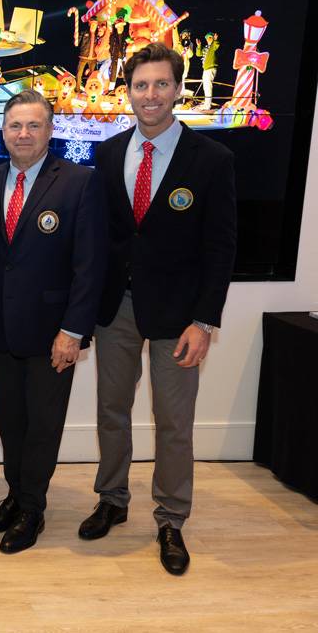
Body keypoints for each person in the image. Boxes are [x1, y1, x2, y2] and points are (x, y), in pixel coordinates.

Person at [79, 43, 237, 576]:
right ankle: (112, 499)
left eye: (161, 84)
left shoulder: (211, 159)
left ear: (177, 89)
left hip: (179, 315)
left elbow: (221, 247)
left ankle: (171, 518)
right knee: (111, 410)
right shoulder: (107, 153)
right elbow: (101, 238)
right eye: (141, 85)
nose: (151, 95)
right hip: (116, 308)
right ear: (128, 92)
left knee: (173, 421)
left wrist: (204, 320)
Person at [0, 89, 107, 553]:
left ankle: (32, 509)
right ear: (3, 132)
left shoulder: (79, 182)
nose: (24, 134)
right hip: (3, 330)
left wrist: (73, 331)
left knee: (43, 425)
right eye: (15, 125)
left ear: (51, 131)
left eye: (34, 125)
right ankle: (15, 496)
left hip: (54, 333)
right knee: (9, 421)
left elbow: (90, 266)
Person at [195, 32, 220, 110]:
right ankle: (206, 104)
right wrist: (199, 46)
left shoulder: (213, 46)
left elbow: (216, 45)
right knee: (205, 87)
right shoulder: (206, 48)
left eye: (210, 37)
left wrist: (215, 40)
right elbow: (198, 54)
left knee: (208, 87)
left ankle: (208, 105)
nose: (208, 39)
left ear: (212, 38)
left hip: (211, 68)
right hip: (206, 69)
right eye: (207, 38)